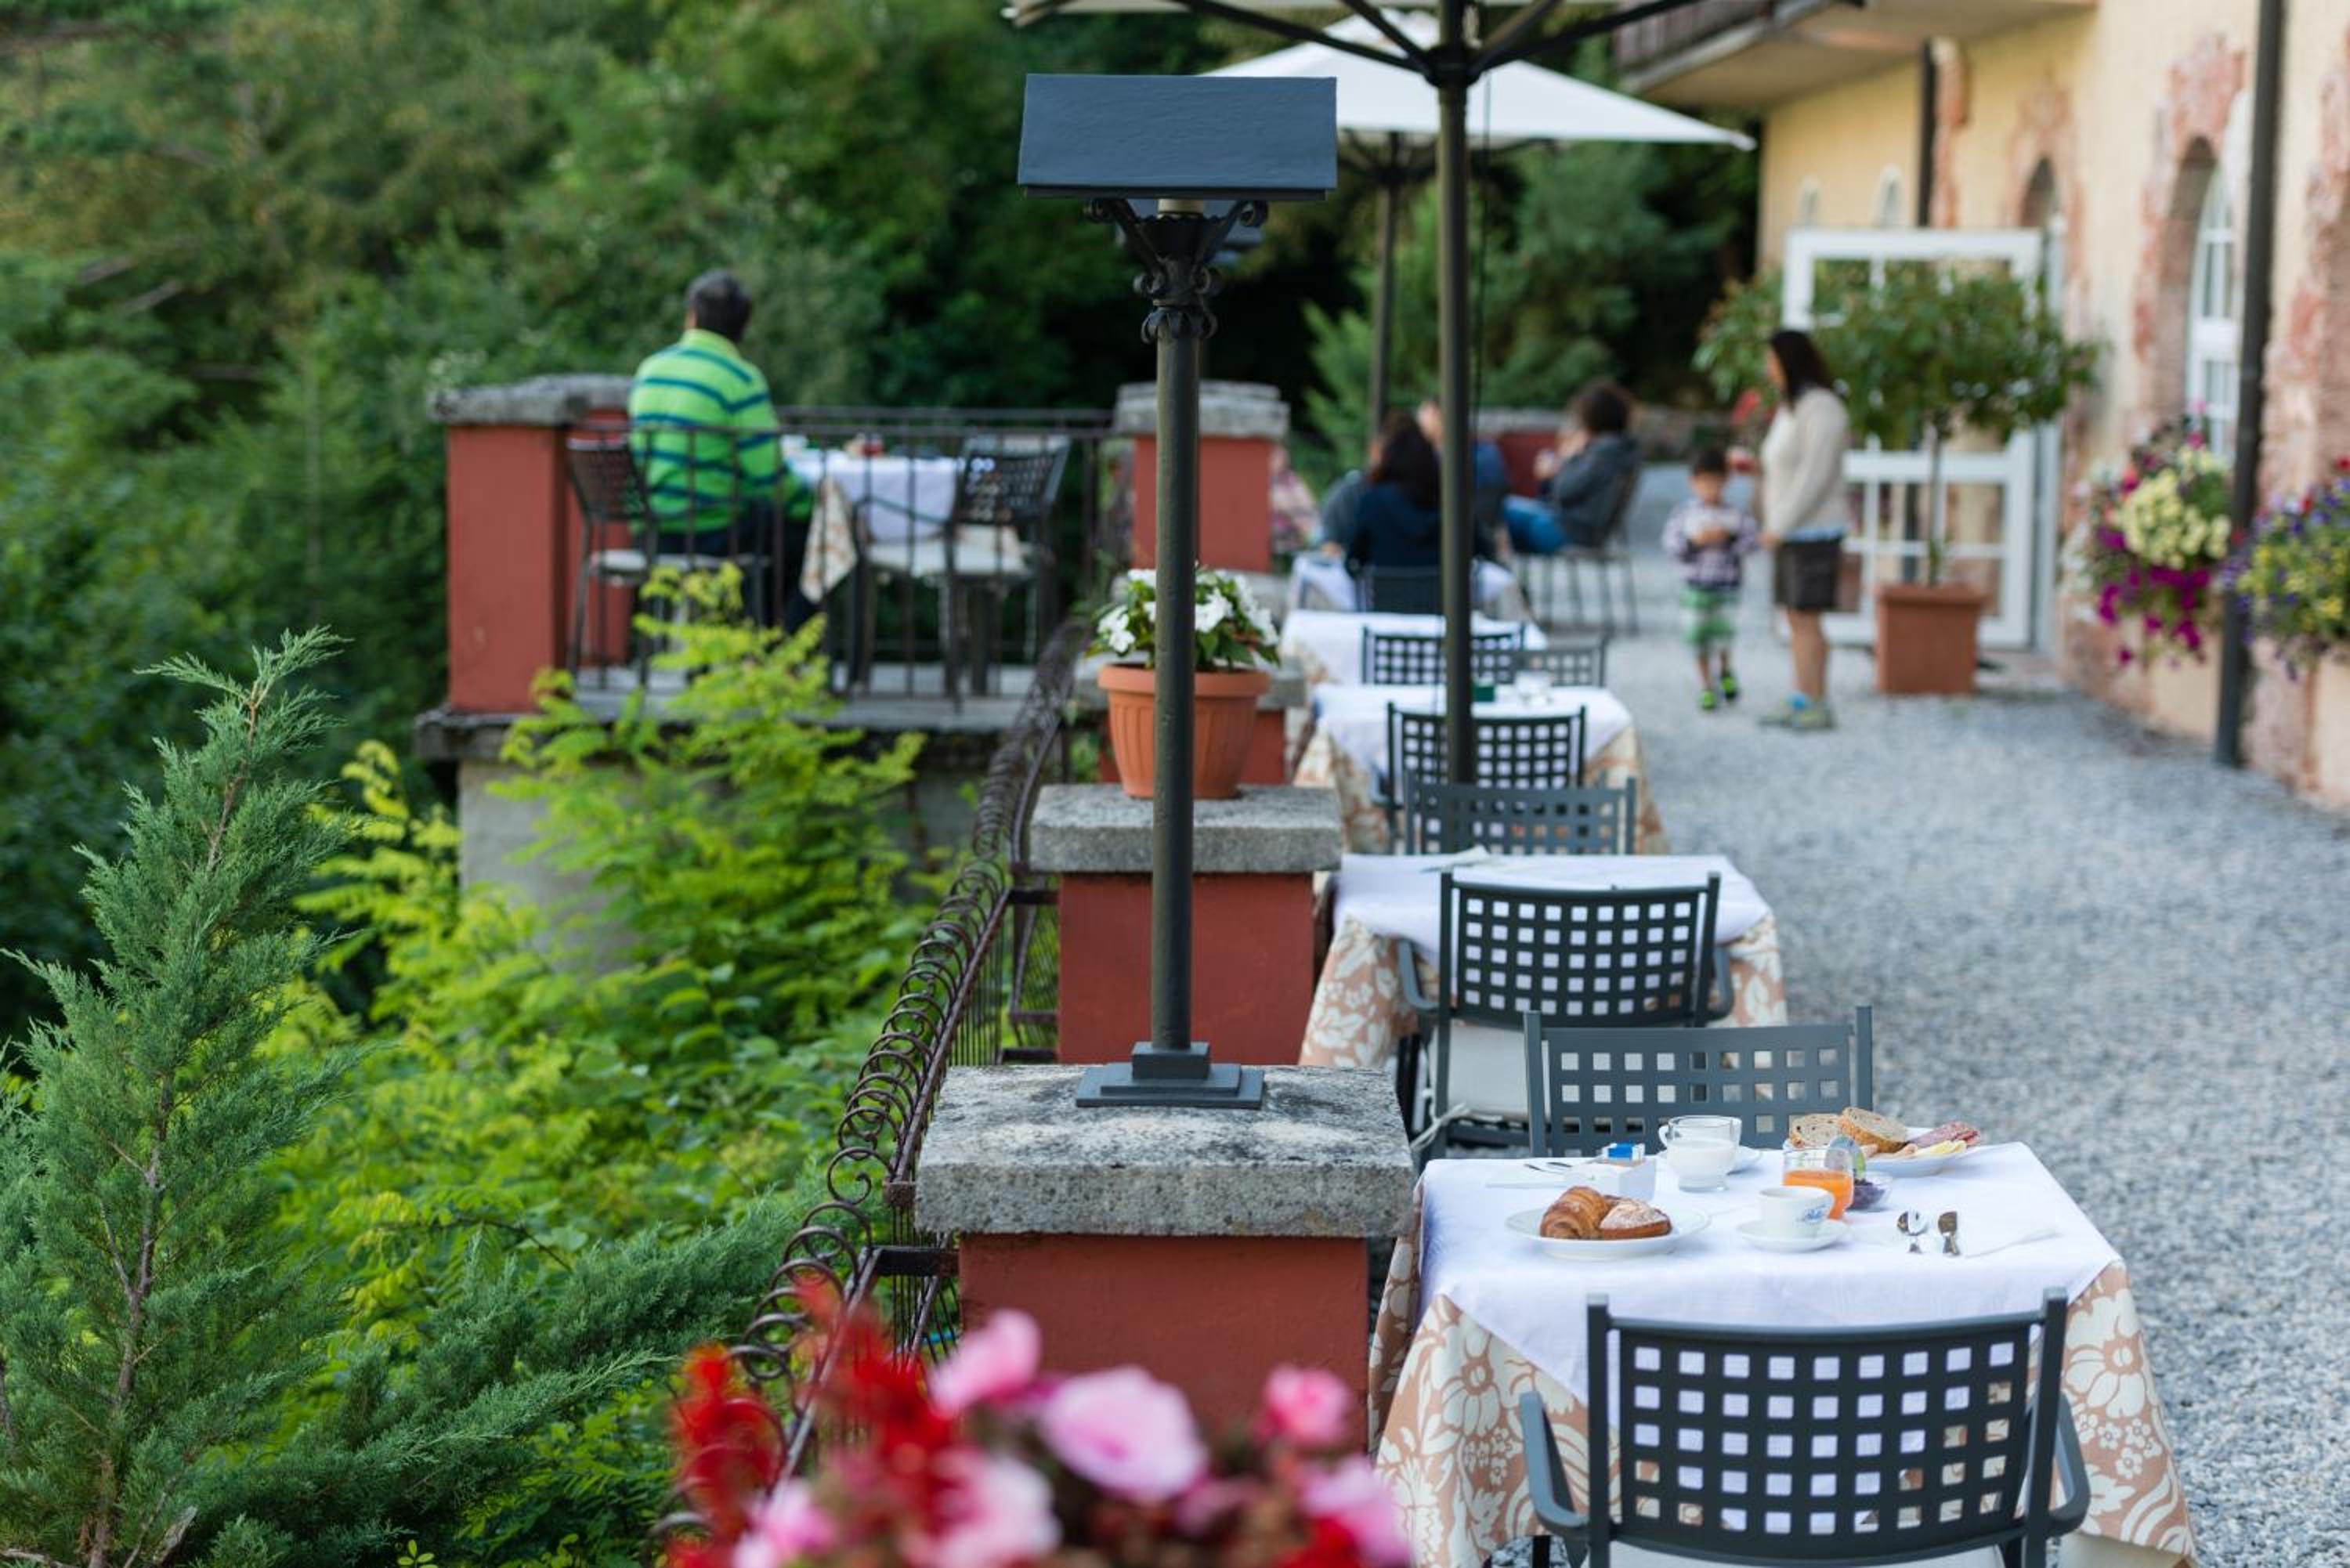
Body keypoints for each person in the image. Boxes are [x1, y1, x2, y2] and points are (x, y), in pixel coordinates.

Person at [627, 269, 816, 629]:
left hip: (652, 532)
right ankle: (772, 642)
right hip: (711, 531)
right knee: (809, 536)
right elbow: (770, 477)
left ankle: (741, 635)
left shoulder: (650, 370)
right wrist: (813, 503)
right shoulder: (739, 379)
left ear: (691, 317)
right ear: (743, 328)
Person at [1742, 328, 1853, 730]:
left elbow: (1815, 476)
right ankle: (1801, 695)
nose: (1768, 369)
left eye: (1772, 360)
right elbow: (1784, 465)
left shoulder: (1822, 407)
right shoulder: (1792, 407)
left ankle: (1817, 701)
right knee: (1794, 618)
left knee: (1808, 618)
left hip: (1814, 530)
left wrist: (1780, 524)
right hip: (1790, 531)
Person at [1661, 447, 1760, 712]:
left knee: (1723, 635)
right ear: (1693, 482)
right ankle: (1706, 685)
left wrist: (1728, 539)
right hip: (1695, 587)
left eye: (1716, 482)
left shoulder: (1735, 514)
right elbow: (1672, 546)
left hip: (1726, 587)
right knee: (1697, 637)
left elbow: (1752, 542)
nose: (1710, 488)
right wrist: (1695, 541)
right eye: (1705, 482)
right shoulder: (1685, 514)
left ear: (1726, 481)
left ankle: (1725, 670)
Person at [1502, 381, 1642, 555]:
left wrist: (1566, 459)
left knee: (1499, 510)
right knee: (1503, 510)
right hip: (1574, 528)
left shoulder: (1603, 454)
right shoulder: (1620, 449)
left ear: (1591, 418)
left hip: (1568, 532)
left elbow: (1564, 492)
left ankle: (1491, 567)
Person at [1345, 411, 1443, 573]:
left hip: (1386, 588)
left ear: (1386, 457)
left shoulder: (1373, 502)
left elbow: (1354, 560)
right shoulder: (1449, 504)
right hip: (1442, 589)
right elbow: (1479, 549)